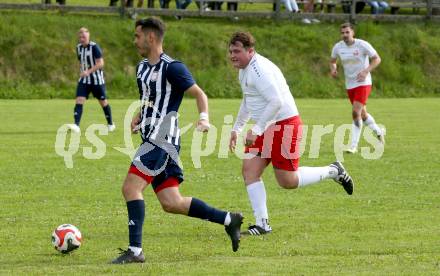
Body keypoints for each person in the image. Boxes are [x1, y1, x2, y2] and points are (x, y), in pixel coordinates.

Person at [111, 18, 243, 264]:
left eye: (137, 36)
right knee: (172, 202)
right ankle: (229, 220)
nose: (135, 41)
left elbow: (199, 94)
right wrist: (141, 115)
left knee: (131, 188)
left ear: (151, 38)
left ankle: (135, 251)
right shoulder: (141, 68)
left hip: (161, 139)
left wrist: (204, 119)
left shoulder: (173, 67)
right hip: (152, 136)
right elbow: (150, 97)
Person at [228, 31, 354, 236]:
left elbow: (276, 101)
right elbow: (249, 99)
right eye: (231, 51)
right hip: (266, 125)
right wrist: (237, 128)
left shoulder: (260, 70)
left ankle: (333, 171)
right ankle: (262, 224)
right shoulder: (244, 69)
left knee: (288, 181)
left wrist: (257, 129)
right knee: (250, 170)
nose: (233, 56)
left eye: (237, 51)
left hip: (284, 124)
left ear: (250, 51)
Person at [330, 23, 385, 154]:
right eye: (342, 33)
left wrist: (366, 71)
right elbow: (332, 61)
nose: (344, 35)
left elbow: (377, 59)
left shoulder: (362, 45)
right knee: (363, 114)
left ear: (353, 32)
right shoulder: (338, 47)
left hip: (363, 82)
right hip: (350, 84)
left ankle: (353, 146)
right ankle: (378, 133)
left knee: (356, 112)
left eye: (347, 32)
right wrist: (333, 69)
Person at [67, 28, 115, 133]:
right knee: (79, 100)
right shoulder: (78, 48)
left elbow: (100, 63)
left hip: (97, 80)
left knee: (103, 102)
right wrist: (82, 71)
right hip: (84, 80)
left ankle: (111, 123)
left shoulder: (94, 47)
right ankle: (76, 125)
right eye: (80, 37)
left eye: (83, 37)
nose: (82, 39)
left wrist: (88, 71)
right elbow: (81, 61)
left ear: (88, 37)